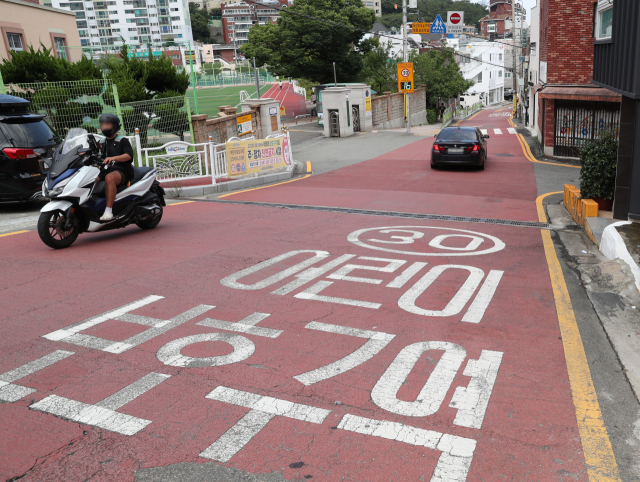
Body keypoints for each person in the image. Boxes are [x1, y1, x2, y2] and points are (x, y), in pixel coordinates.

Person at [96, 113, 134, 221]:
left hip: (122, 170)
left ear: (115, 126)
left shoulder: (122, 140)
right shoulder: (101, 142)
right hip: (105, 170)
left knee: (109, 178)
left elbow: (129, 155)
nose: (104, 127)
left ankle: (108, 211)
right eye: (102, 124)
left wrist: (113, 158)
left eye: (107, 124)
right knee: (90, 180)